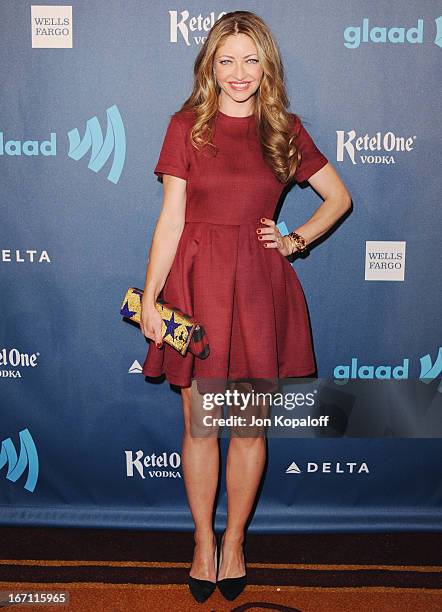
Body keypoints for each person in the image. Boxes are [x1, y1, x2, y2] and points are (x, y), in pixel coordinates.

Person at [140, 10, 351, 604]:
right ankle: (203, 541)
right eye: (226, 60)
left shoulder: (284, 128)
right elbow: (171, 220)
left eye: (250, 60)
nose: (238, 73)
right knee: (201, 424)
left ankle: (236, 541)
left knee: (250, 429)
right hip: (197, 284)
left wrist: (294, 239)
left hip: (259, 285)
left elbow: (339, 197)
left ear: (267, 66)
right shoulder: (188, 126)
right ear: (210, 64)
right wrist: (153, 295)